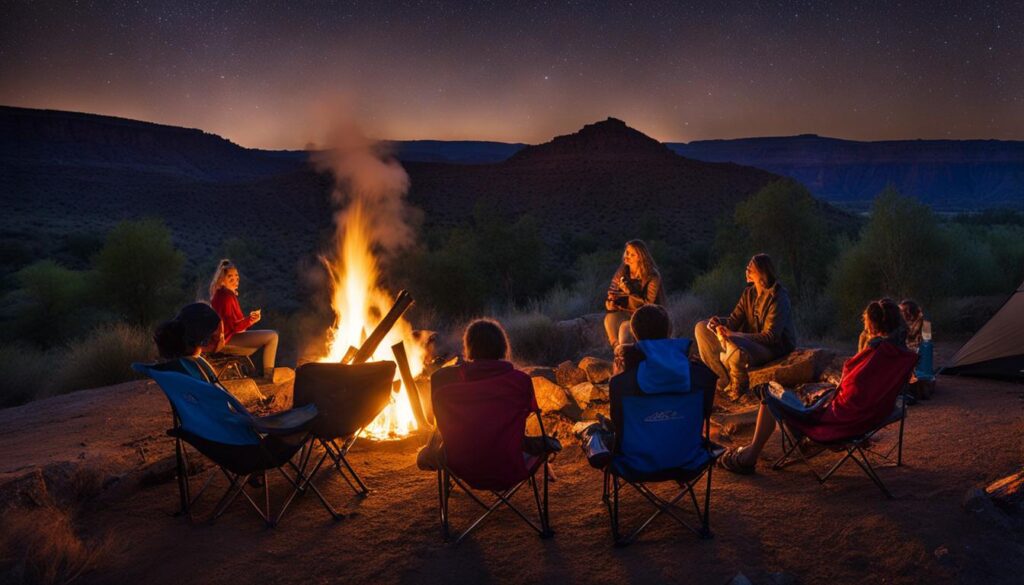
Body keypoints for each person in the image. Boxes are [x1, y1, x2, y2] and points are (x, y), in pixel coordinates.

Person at [718, 299, 918, 475]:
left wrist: (827, 400)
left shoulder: (875, 354)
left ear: (873, 325)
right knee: (806, 394)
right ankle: (752, 451)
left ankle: (749, 456)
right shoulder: (902, 356)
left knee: (768, 392)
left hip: (838, 422)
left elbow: (853, 387)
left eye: (865, 322)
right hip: (869, 418)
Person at [416, 318, 546, 471]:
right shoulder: (521, 381)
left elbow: (434, 421)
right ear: (503, 347)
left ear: (468, 348)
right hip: (509, 466)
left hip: (461, 465)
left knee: (427, 456)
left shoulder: (443, 381)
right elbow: (529, 414)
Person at [693, 253, 796, 400]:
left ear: (761, 274)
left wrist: (734, 335)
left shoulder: (779, 297)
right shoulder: (749, 293)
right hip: (750, 341)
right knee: (701, 328)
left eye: (750, 269)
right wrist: (717, 323)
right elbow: (733, 321)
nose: (746, 271)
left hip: (773, 347)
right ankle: (723, 381)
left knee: (734, 342)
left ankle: (738, 387)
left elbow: (771, 336)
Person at [207, 259, 279, 380]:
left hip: (223, 339)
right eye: (230, 277)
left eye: (237, 278)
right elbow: (233, 327)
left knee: (269, 336)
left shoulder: (220, 294)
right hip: (227, 341)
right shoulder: (227, 296)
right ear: (222, 280)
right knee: (273, 336)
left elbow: (236, 324)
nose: (235, 281)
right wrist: (250, 320)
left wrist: (250, 320)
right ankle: (268, 376)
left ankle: (266, 376)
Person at [604, 240, 666, 348]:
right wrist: (610, 302)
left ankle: (627, 355)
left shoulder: (652, 276)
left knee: (625, 327)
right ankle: (618, 350)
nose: (627, 256)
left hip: (646, 315)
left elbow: (649, 303)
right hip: (626, 311)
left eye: (632, 254)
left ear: (641, 257)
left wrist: (630, 292)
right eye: (627, 252)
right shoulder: (623, 270)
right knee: (609, 320)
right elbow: (612, 290)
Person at [153, 302, 223, 383]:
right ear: (203, 339)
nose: (218, 340)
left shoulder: (175, 369)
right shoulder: (194, 370)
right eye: (215, 336)